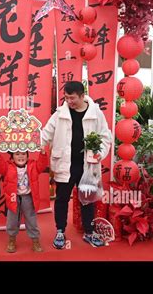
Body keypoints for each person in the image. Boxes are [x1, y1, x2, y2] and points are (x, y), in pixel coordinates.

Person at [42, 81, 112, 249]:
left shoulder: (96, 112)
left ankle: (89, 232)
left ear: (82, 96)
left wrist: (99, 154)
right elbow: (45, 134)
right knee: (61, 199)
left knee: (87, 200)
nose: (69, 101)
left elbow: (105, 137)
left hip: (87, 165)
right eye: (66, 98)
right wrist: (26, 145)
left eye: (72, 98)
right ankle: (60, 231)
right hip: (65, 164)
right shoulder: (60, 113)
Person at [0, 147, 49, 253]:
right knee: (12, 220)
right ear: (12, 157)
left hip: (28, 197)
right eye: (17, 154)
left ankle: (35, 240)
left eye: (23, 154)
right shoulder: (8, 167)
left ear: (28, 156)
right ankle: (11, 240)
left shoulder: (33, 165)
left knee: (31, 220)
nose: (21, 156)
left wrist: (42, 153)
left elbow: (42, 165)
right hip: (13, 197)